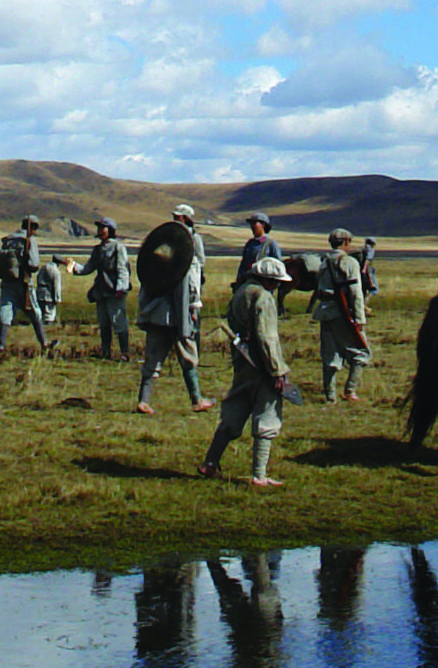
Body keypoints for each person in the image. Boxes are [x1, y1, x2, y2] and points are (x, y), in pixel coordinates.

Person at [205, 242, 298, 487]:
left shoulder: (241, 292)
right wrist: (277, 371)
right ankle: (259, 475)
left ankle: (210, 462)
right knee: (267, 416)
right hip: (261, 364)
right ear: (269, 280)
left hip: (242, 362)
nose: (278, 285)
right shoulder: (263, 298)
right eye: (277, 281)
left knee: (234, 411)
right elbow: (267, 338)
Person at [134, 204, 208, 413]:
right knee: (183, 353)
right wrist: (193, 307)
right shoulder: (175, 248)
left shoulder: (187, 244)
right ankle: (195, 400)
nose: (176, 219)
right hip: (175, 310)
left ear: (186, 219)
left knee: (157, 353)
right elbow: (192, 281)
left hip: (163, 309)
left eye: (179, 217)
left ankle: (144, 400)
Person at [313, 226, 373, 401]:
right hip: (343, 314)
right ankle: (350, 391)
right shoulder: (350, 263)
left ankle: (330, 396)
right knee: (361, 353)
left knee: (330, 356)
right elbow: (355, 293)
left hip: (325, 312)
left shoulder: (323, 263)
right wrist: (360, 318)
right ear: (346, 242)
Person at [0, 218, 49, 356]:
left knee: (5, 311)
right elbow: (34, 264)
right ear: (33, 228)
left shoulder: (8, 240)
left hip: (7, 283)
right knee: (35, 312)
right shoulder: (29, 240)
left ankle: (1, 345)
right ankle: (44, 344)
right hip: (24, 283)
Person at [83, 217, 133, 359]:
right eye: (99, 228)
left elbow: (122, 268)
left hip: (115, 291)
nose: (99, 231)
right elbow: (88, 268)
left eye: (102, 228)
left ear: (110, 230)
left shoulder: (118, 247)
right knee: (104, 323)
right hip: (101, 291)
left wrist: (121, 288)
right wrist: (70, 266)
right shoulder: (97, 249)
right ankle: (105, 352)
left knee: (118, 322)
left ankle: (125, 353)